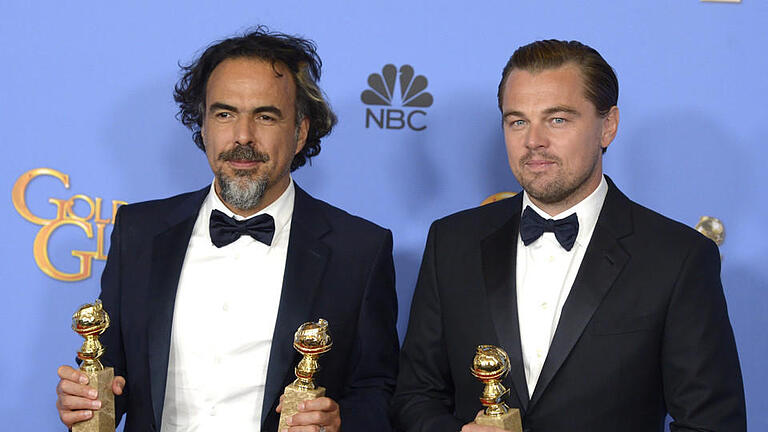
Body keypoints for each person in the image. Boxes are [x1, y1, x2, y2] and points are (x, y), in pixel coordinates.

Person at [55, 27, 399, 432]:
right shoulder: (139, 232)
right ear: (202, 125)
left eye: (266, 116)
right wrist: (85, 397)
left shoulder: (358, 249)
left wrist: (340, 421)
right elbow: (112, 372)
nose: (242, 137)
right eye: (224, 113)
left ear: (301, 131)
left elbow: (378, 392)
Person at [392, 40, 745, 432]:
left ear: (607, 126)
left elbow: (711, 423)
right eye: (517, 121)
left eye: (557, 119)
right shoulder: (451, 242)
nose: (533, 141)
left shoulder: (677, 257)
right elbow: (415, 396)